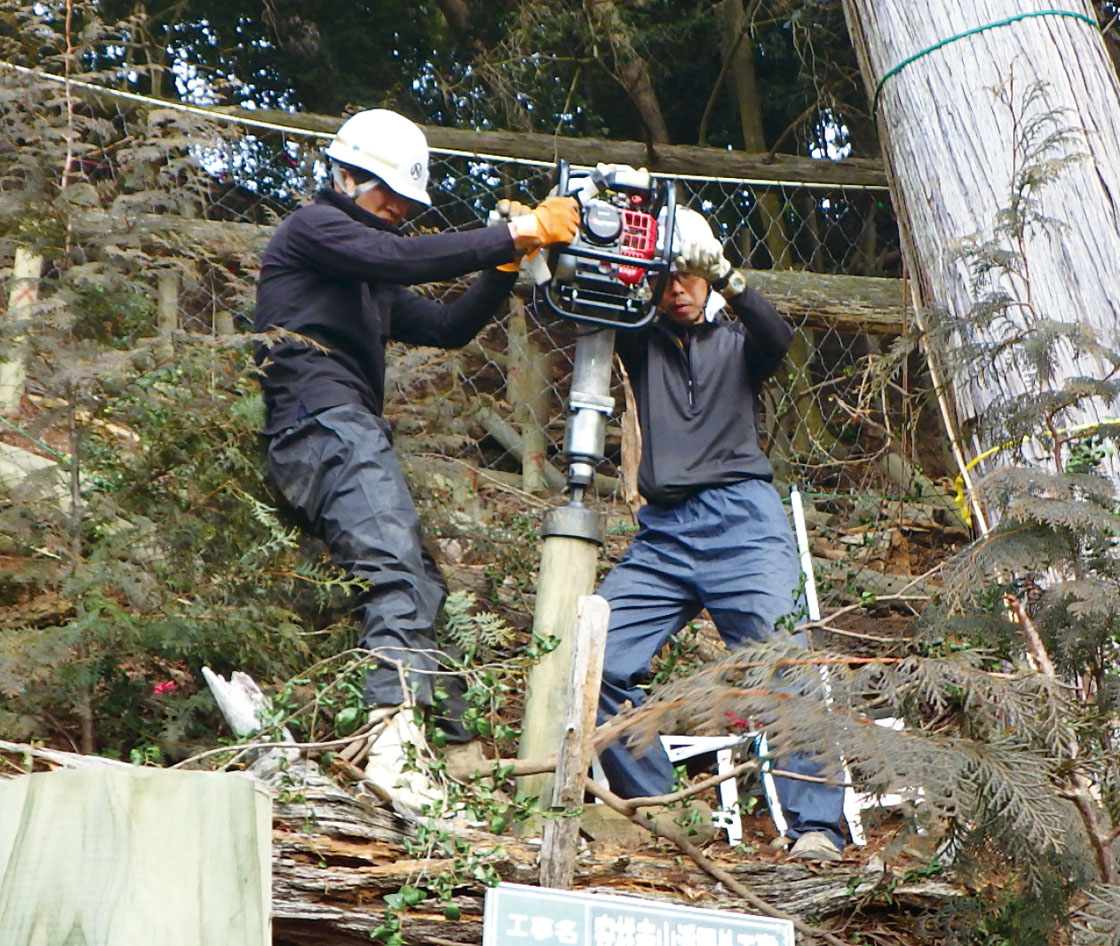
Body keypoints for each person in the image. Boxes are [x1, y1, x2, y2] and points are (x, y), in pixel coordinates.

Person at [253, 108, 579, 808]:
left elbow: (446, 326)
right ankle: (390, 748)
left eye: (405, 202)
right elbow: (398, 258)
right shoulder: (313, 232)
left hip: (342, 431)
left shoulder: (359, 273)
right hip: (322, 426)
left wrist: (500, 267)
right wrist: (516, 231)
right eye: (387, 195)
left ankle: (451, 750)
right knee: (398, 576)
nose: (397, 212)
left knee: (421, 582)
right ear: (344, 175)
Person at [594, 205, 848, 861]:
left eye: (689, 275)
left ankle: (814, 827)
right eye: (665, 276)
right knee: (594, 658)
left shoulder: (740, 343)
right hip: (664, 534)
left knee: (782, 662)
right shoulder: (640, 340)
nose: (677, 287)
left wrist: (729, 276)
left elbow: (779, 336)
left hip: (744, 522)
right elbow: (586, 302)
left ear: (708, 276)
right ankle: (663, 818)